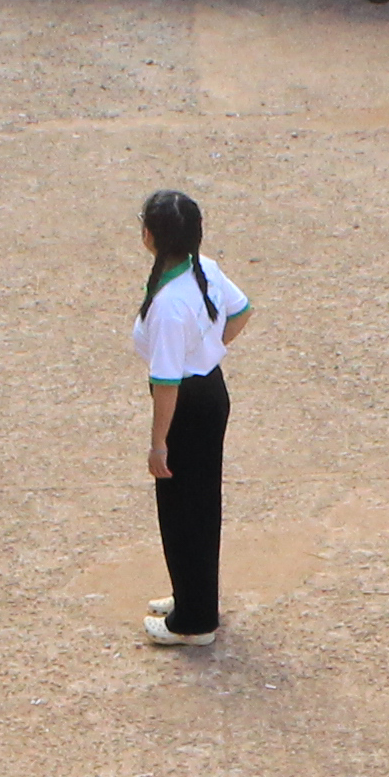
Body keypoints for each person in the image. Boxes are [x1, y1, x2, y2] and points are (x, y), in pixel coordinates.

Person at [134, 188, 246, 649]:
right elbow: (241, 312)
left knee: (182, 512)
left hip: (185, 405)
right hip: (210, 390)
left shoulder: (168, 305)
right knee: (199, 507)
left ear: (151, 237)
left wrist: (159, 443)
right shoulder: (206, 271)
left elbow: (165, 384)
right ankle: (193, 596)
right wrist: (208, 351)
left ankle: (194, 620)